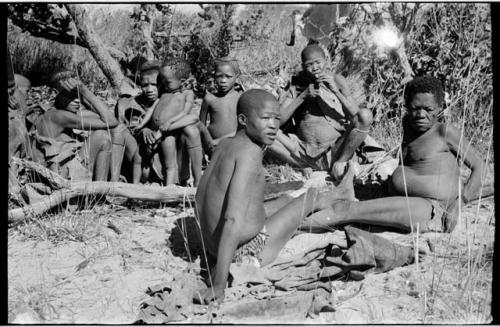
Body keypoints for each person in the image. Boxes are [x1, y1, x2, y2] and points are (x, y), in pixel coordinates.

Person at [194, 89, 355, 304]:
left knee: (286, 201)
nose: (273, 125)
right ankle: (339, 193)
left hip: (211, 246)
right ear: (243, 119)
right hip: (245, 251)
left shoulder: (224, 144)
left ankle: (325, 198)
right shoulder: (250, 153)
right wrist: (219, 283)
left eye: (277, 119)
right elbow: (231, 219)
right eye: (265, 118)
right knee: (311, 196)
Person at [300, 76, 485, 234]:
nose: (420, 115)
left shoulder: (444, 132)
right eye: (414, 108)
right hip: (404, 199)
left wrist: (460, 203)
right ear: (406, 106)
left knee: (347, 211)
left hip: (432, 207)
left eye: (428, 110)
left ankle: (294, 227)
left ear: (439, 108)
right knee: (346, 207)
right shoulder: (409, 125)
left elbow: (480, 167)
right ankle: (297, 216)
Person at [266, 43, 378, 180]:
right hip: (301, 151)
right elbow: (279, 120)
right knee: (264, 129)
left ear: (326, 61)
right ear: (303, 66)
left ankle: (340, 163)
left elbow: (358, 116)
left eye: (318, 62)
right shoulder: (298, 84)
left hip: (335, 151)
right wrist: (303, 96)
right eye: (309, 65)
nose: (315, 68)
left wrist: (335, 91)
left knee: (365, 114)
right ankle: (300, 165)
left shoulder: (337, 80)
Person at [32, 78, 118, 181]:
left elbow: (106, 118)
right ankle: (101, 191)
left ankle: (99, 191)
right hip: (60, 176)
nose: (77, 100)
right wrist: (85, 91)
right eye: (71, 95)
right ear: (56, 94)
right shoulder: (58, 116)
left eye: (79, 97)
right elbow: (111, 122)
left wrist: (84, 98)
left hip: (59, 173)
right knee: (102, 137)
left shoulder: (53, 113)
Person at [134, 60, 202, 186]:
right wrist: (141, 124)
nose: (164, 84)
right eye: (163, 81)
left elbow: (187, 113)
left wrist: (169, 122)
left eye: (167, 81)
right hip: (154, 132)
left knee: (169, 164)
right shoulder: (165, 94)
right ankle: (137, 184)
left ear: (182, 81)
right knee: (139, 157)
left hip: (167, 133)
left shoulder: (186, 94)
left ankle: (170, 187)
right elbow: (152, 109)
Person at [112, 61, 163, 184]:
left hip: (159, 161)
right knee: (119, 131)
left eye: (154, 84)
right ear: (139, 85)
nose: (150, 89)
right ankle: (114, 183)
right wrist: (142, 130)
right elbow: (122, 135)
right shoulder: (127, 103)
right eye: (145, 85)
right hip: (135, 159)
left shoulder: (169, 102)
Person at [198, 57, 243, 156]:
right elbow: (201, 126)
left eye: (228, 76)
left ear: (237, 76)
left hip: (236, 144)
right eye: (219, 76)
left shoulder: (240, 98)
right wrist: (204, 147)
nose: (223, 80)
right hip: (213, 148)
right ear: (214, 76)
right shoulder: (209, 99)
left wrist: (219, 140)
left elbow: (245, 127)